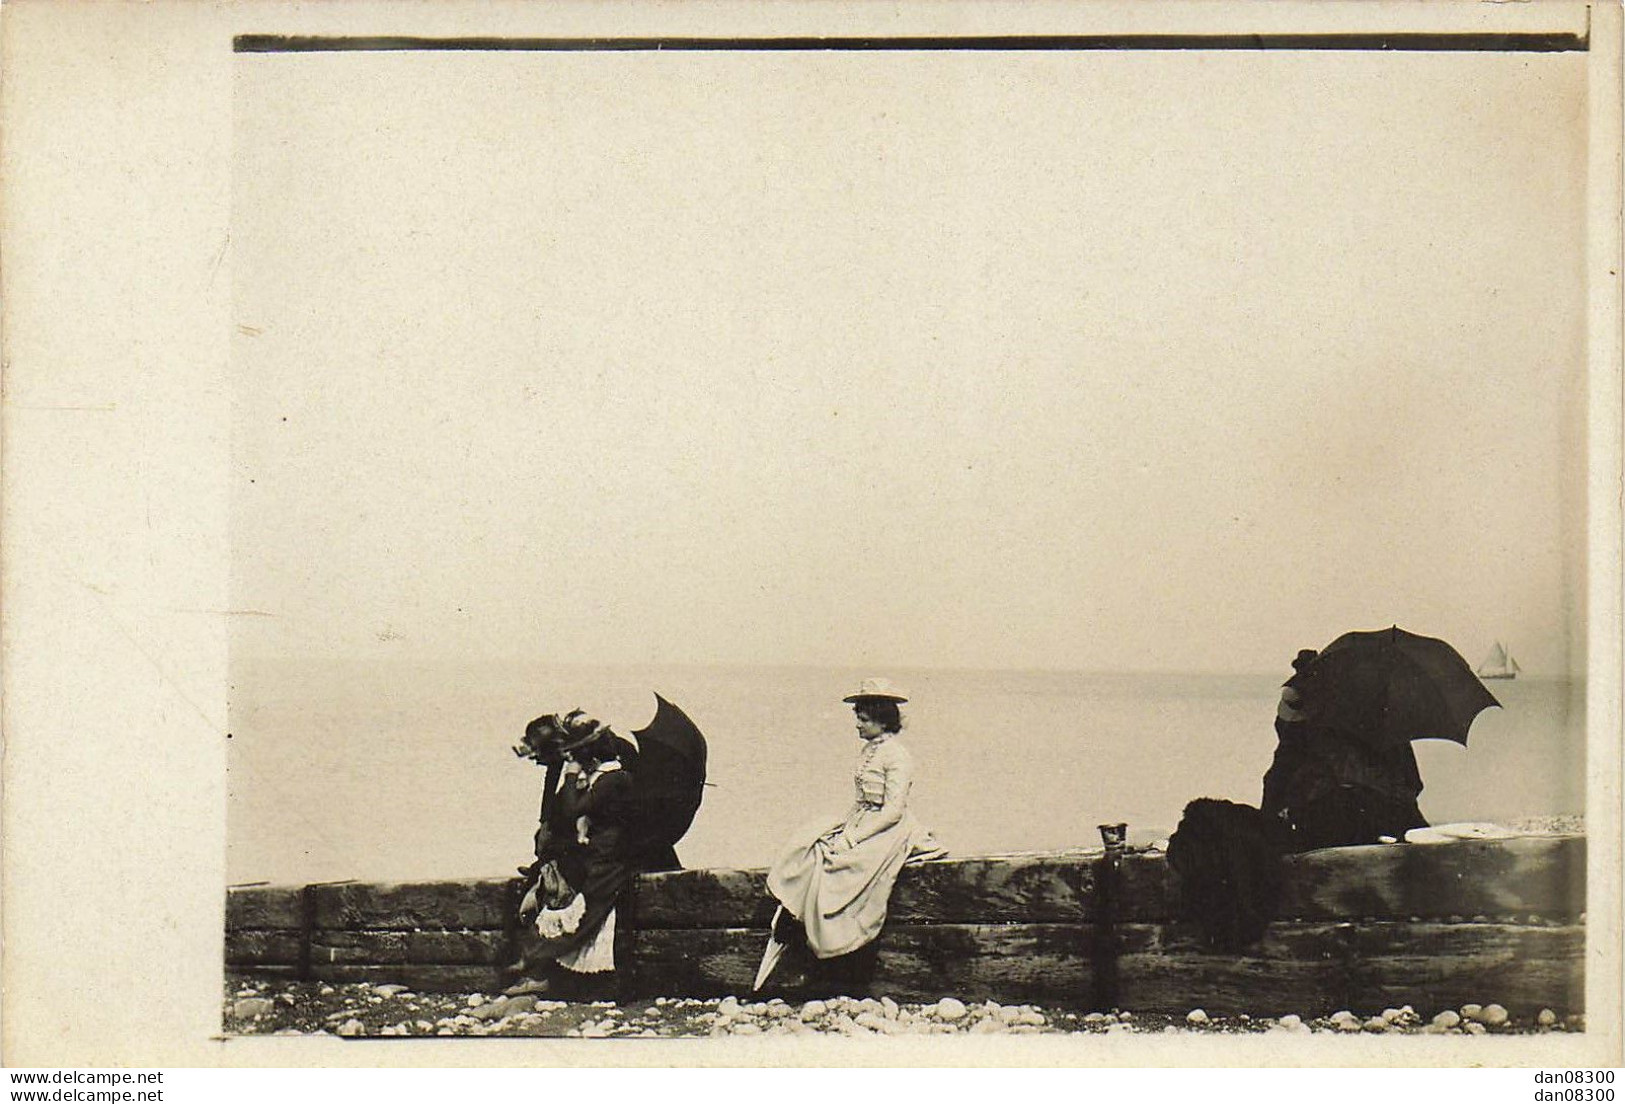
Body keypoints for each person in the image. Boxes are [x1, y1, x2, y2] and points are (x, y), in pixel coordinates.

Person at [753, 678, 946, 992]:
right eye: (857, 717)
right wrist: (845, 828)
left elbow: (893, 810)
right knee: (812, 847)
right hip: (862, 819)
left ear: (883, 720)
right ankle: (798, 933)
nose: (857, 724)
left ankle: (842, 956)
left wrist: (855, 838)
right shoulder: (869, 751)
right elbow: (860, 800)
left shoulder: (897, 756)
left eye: (864, 719)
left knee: (846, 868)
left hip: (888, 827)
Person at [510, 715, 642, 995]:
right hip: (591, 858)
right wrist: (555, 772)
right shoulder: (599, 779)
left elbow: (573, 811)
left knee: (580, 914)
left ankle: (536, 963)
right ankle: (534, 965)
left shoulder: (615, 779)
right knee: (550, 895)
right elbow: (558, 811)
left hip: (607, 863)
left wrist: (570, 774)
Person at [1261, 648, 1429, 850]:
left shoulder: (1302, 738)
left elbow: (1275, 787)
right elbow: (1412, 783)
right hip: (1384, 819)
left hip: (1334, 823)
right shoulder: (1375, 723)